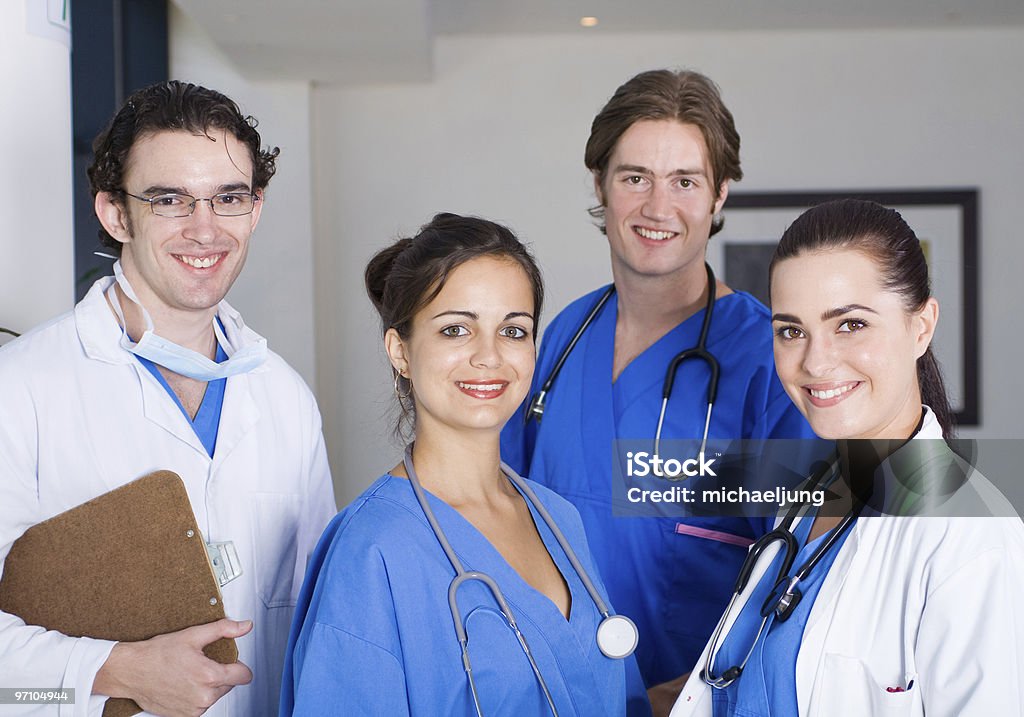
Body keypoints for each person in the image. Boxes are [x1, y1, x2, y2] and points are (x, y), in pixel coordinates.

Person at [0, 81, 336, 716]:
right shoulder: (20, 390)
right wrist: (111, 671)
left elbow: (318, 619)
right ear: (115, 214)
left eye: (228, 198)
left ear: (255, 208)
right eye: (170, 200)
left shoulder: (285, 397)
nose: (204, 229)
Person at [500, 69, 814, 707]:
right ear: (601, 185)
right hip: (553, 694)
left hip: (701, 704)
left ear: (720, 195)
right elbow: (496, 513)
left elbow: (803, 566)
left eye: (686, 182)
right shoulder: (559, 338)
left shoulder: (769, 360)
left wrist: (705, 687)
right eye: (634, 176)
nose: (657, 207)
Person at [281, 213, 651, 716]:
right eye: (456, 329)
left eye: (514, 331)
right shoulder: (371, 553)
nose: (489, 356)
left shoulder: (559, 520)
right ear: (401, 352)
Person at [671, 199, 1024, 716]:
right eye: (791, 331)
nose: (815, 361)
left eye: (851, 324)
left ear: (921, 326)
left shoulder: (973, 540)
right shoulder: (808, 501)